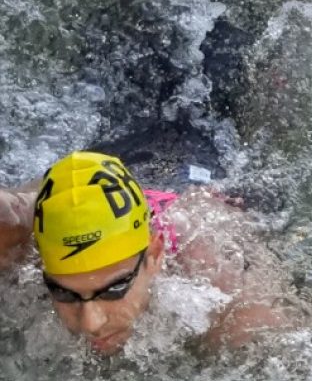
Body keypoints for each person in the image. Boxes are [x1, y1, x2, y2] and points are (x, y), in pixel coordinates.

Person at [0, 150, 293, 356]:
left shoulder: (216, 277)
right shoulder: (23, 239)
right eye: (64, 293)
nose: (91, 323)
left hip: (202, 158)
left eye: (115, 288)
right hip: (115, 155)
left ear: (154, 254)